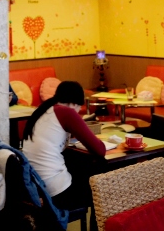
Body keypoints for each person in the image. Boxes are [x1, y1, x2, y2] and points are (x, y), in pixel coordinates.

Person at [22, 81, 106, 210]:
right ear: (74, 103)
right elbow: (100, 150)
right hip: (57, 192)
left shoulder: (44, 110)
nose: (79, 111)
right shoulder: (67, 112)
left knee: (81, 164)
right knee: (101, 181)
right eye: (79, 107)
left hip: (36, 186)